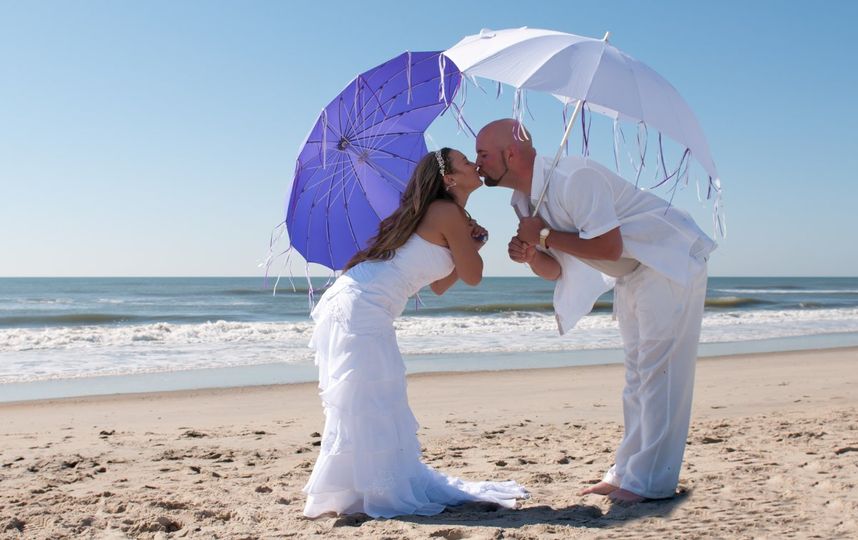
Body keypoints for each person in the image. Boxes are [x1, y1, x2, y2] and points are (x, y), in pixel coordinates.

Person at [475, 119, 715, 503]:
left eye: (483, 154)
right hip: (634, 272)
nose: (477, 162)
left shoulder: (575, 178)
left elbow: (607, 248)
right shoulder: (524, 200)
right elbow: (556, 268)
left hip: (667, 258)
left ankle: (651, 482)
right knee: (637, 375)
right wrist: (533, 255)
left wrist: (541, 235)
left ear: (511, 153)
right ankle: (626, 473)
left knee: (661, 372)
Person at [302, 147, 528, 518]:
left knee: (374, 398)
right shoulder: (447, 212)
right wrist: (472, 247)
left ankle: (362, 491)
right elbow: (473, 275)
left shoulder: (445, 213)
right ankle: (361, 495)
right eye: (465, 161)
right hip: (361, 307)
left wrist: (470, 245)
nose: (474, 163)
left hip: (359, 304)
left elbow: (440, 286)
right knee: (370, 399)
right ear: (450, 179)